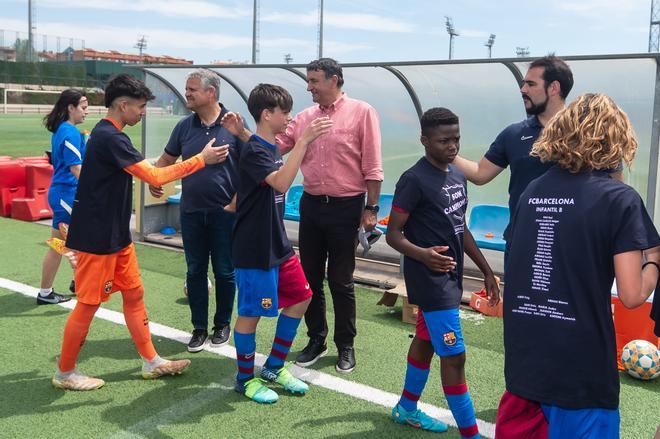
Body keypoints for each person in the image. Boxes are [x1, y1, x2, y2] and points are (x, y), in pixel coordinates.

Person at [495, 93, 660, 438]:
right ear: (617, 140)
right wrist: (655, 262)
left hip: (525, 363)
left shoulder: (533, 190)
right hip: (580, 372)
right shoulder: (619, 199)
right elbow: (631, 294)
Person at [52, 74, 229, 391]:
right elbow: (153, 173)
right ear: (123, 105)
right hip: (97, 239)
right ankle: (65, 373)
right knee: (89, 304)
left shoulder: (112, 134)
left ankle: (151, 362)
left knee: (134, 294)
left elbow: (148, 173)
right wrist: (201, 160)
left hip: (116, 236)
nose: (143, 112)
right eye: (141, 107)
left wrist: (158, 177)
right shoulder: (109, 137)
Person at [223, 58, 383, 373]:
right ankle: (315, 338)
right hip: (311, 204)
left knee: (341, 279)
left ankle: (345, 344)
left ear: (334, 80)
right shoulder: (305, 118)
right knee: (310, 279)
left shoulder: (363, 111)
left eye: (314, 80)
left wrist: (372, 208)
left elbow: (373, 163)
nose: (309, 86)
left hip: (347, 205)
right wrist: (242, 132)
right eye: (308, 80)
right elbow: (273, 147)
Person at [386, 107, 499, 436]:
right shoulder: (413, 179)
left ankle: (406, 407)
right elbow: (393, 234)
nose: (452, 146)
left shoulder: (457, 174)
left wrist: (487, 271)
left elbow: (459, 227)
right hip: (430, 279)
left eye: (456, 139)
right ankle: (470, 433)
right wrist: (424, 256)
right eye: (443, 140)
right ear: (424, 140)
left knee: (426, 339)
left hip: (451, 276)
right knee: (455, 357)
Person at [229, 84, 333, 403]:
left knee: (301, 297)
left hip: (278, 245)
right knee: (251, 315)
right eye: (284, 112)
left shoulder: (267, 145)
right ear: (267, 114)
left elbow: (260, 150)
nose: (289, 117)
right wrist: (303, 140)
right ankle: (245, 379)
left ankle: (274, 367)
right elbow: (282, 182)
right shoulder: (258, 150)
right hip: (254, 249)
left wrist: (242, 130)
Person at [452, 56, 584, 270]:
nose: (523, 89)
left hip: (571, 247)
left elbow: (613, 186)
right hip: (522, 244)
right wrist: (446, 154)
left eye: (531, 84)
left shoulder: (585, 134)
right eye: (523, 83)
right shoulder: (514, 134)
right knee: (520, 304)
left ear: (554, 87)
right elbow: (480, 173)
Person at [150, 68, 244, 353]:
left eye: (192, 89)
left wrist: (236, 202)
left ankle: (222, 325)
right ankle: (199, 328)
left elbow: (252, 167)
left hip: (225, 214)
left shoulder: (234, 124)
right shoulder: (184, 126)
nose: (187, 94)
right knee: (195, 271)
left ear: (210, 93)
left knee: (225, 272)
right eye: (188, 89)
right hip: (191, 212)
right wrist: (157, 178)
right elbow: (166, 159)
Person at [37, 89, 89, 305]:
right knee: (72, 247)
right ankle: (51, 291)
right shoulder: (69, 132)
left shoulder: (65, 130)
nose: (87, 112)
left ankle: (61, 288)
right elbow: (76, 168)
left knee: (61, 245)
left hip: (63, 194)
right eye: (83, 107)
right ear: (71, 108)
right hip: (66, 196)